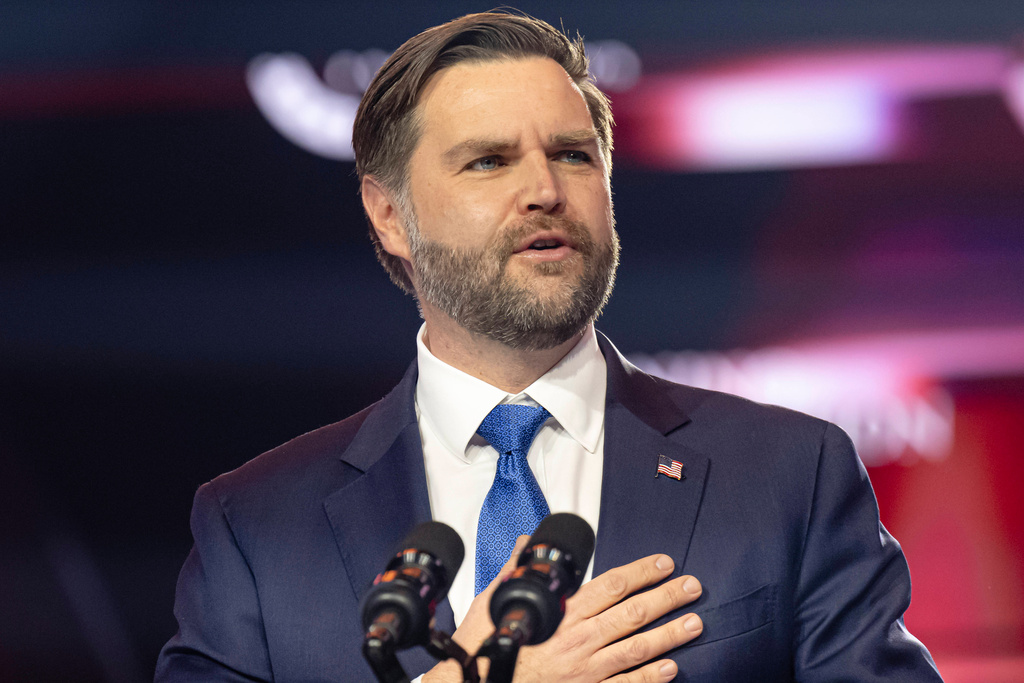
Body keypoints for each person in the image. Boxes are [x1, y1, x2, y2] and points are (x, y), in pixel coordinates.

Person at [156, 11, 943, 682]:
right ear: (389, 214)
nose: (545, 190)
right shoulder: (255, 528)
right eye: (490, 161)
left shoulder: (788, 477)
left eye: (572, 154)